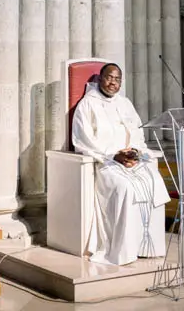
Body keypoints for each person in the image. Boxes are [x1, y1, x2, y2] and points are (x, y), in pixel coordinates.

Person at [71, 63, 170, 265]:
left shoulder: (125, 103)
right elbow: (82, 139)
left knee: (154, 181)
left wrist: (136, 153)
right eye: (109, 78)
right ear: (100, 78)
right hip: (105, 163)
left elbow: (137, 132)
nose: (112, 83)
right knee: (125, 187)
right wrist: (113, 156)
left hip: (130, 160)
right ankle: (124, 251)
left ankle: (147, 247)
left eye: (117, 79)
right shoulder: (87, 104)